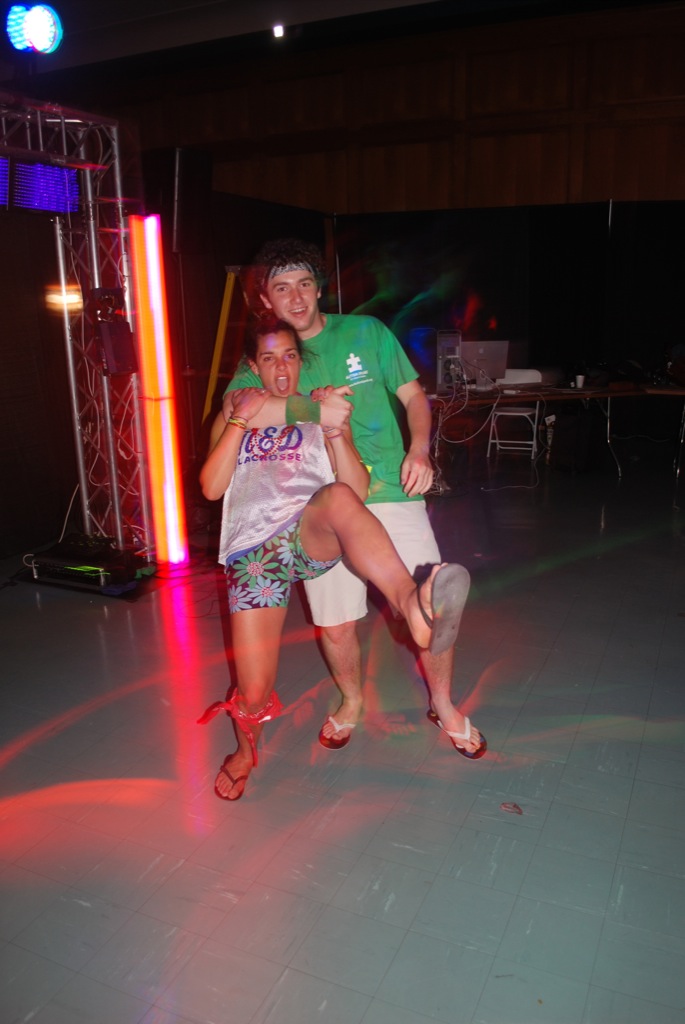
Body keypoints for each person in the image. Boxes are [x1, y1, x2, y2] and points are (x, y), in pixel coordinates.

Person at [223, 238, 485, 760]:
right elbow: (239, 407)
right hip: (320, 505)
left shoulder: (366, 332)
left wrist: (419, 449)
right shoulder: (266, 356)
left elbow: (413, 396)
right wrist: (315, 410)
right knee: (336, 620)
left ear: (318, 287)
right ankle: (351, 700)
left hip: (389, 487)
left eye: (304, 283)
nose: (296, 297)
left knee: (431, 604)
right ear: (266, 300)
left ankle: (443, 703)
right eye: (282, 288)